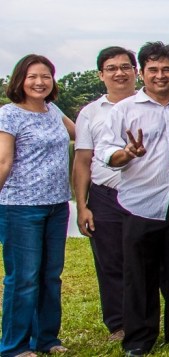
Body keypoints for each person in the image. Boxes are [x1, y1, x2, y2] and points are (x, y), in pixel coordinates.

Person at [95, 41, 169, 356]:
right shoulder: (124, 110)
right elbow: (105, 152)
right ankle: (140, 338)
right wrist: (125, 154)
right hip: (140, 204)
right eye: (153, 69)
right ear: (142, 72)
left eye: (166, 69)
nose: (160, 75)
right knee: (139, 275)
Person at [0, 54, 75, 356]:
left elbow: (80, 135)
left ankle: (46, 339)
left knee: (50, 276)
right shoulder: (9, 114)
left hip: (57, 205)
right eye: (32, 76)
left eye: (46, 76)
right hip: (20, 207)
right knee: (24, 278)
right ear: (20, 80)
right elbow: (3, 161)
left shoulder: (53, 110)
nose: (40, 82)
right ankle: (14, 346)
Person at [71, 46, 137, 342]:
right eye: (111, 68)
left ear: (136, 71)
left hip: (147, 194)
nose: (119, 73)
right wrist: (83, 205)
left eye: (125, 67)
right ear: (101, 74)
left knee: (157, 260)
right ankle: (119, 325)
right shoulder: (90, 113)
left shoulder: (151, 102)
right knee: (110, 261)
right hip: (106, 195)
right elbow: (83, 160)